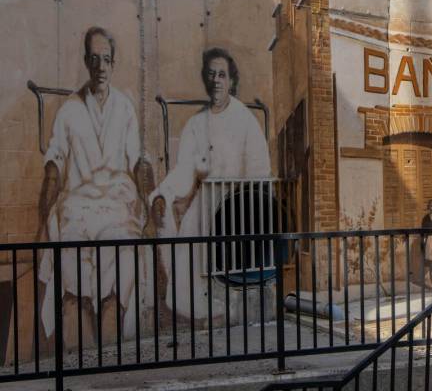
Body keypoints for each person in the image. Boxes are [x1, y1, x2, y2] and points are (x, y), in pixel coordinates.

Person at [37, 27, 154, 345]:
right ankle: (81, 353)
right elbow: (55, 163)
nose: (100, 66)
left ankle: (112, 347)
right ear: (86, 61)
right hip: (77, 206)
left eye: (106, 59)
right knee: (71, 261)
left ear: (113, 63)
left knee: (121, 252)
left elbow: (138, 162)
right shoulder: (69, 111)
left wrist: (150, 202)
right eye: (94, 59)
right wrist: (44, 209)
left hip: (117, 207)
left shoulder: (125, 108)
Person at [149, 48, 271, 320]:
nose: (216, 80)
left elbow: (259, 171)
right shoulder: (196, 123)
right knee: (189, 243)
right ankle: (198, 306)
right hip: (206, 203)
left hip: (238, 205)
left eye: (222, 75)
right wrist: (163, 195)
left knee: (229, 245)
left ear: (231, 82)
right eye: (212, 74)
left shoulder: (246, 121)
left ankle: (228, 305)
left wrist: (245, 204)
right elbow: (184, 170)